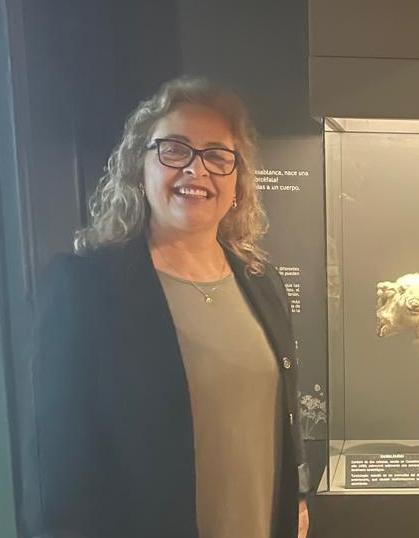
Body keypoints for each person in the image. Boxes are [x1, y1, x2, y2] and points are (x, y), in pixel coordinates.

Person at [30, 77, 310, 538]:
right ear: (139, 170)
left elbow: (281, 416)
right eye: (174, 150)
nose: (196, 171)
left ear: (237, 182)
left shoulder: (263, 282)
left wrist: (297, 499)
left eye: (218, 156)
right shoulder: (83, 290)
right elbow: (59, 474)